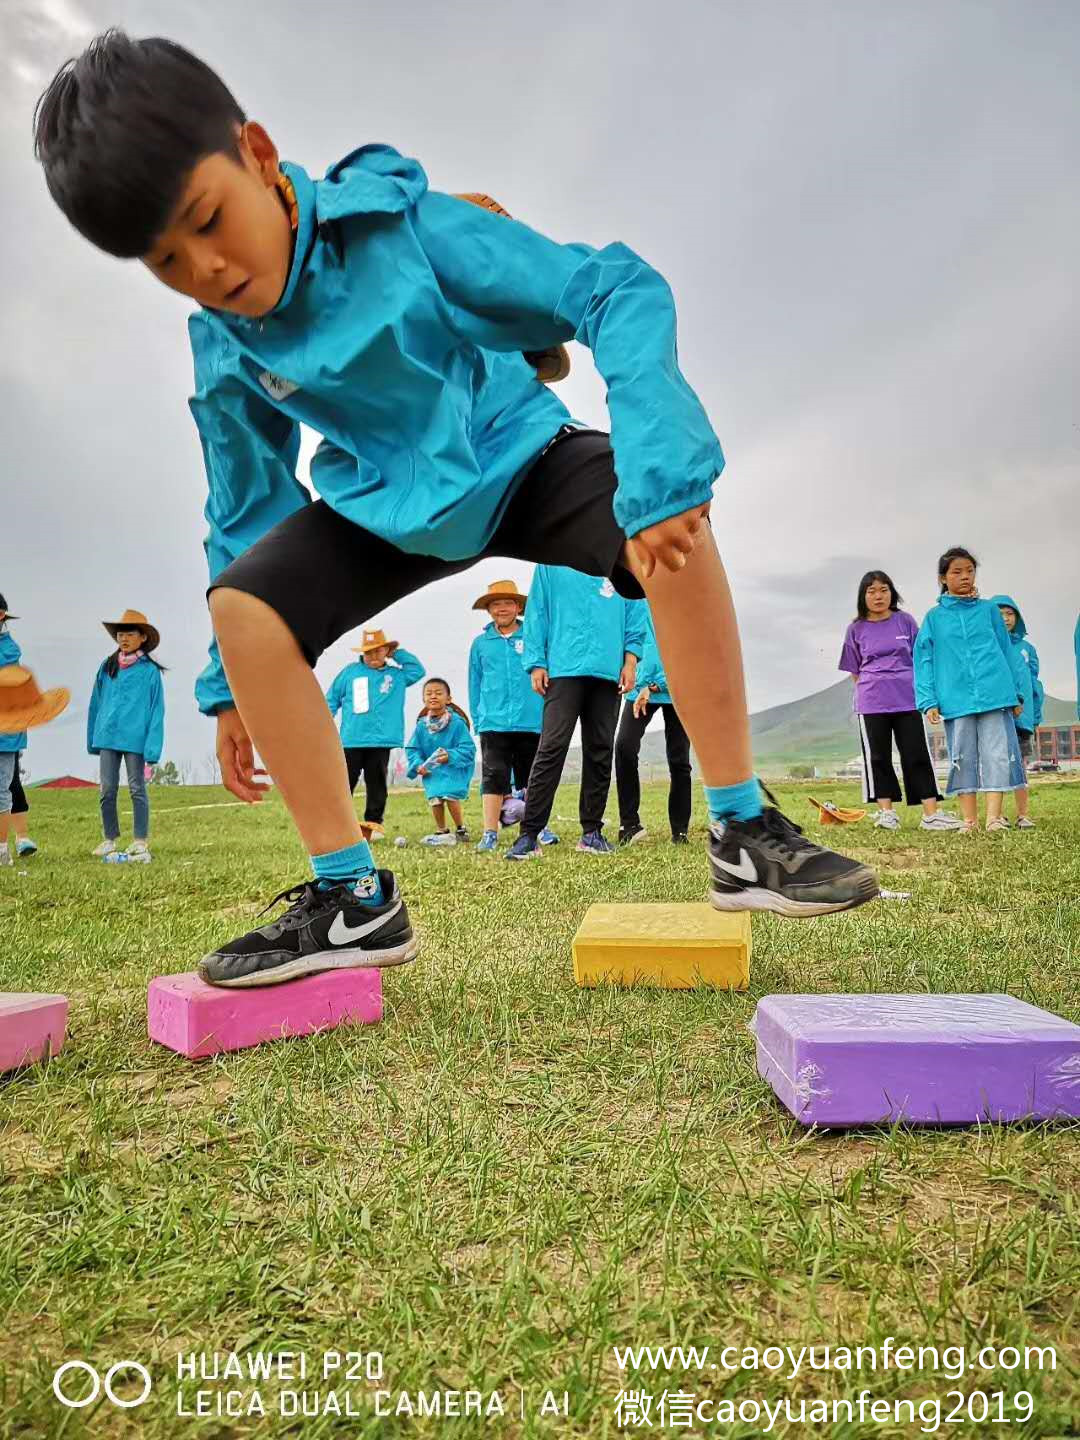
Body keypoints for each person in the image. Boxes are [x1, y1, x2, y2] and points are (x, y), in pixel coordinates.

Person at [34, 35, 878, 984]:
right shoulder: (224, 343)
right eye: (166, 262)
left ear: (259, 155)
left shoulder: (401, 228)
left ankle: (741, 826)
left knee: (673, 531)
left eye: (208, 220)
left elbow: (614, 286)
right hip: (387, 510)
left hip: (517, 452)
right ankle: (352, 900)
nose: (208, 269)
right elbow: (246, 505)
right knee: (243, 608)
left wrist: (658, 468)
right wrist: (234, 687)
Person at [510, 568, 644, 857]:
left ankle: (591, 833)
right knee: (552, 746)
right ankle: (529, 834)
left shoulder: (620, 563)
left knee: (600, 750)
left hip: (607, 670)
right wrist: (536, 662)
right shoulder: (551, 561)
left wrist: (630, 662)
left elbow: (635, 610)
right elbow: (538, 610)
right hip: (563, 667)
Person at [913, 550, 1026, 833]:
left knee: (997, 755)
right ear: (942, 578)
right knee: (962, 756)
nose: (964, 577)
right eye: (956, 572)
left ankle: (994, 819)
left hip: (995, 693)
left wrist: (1016, 694)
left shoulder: (989, 610)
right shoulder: (934, 618)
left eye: (969, 571)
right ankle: (969, 821)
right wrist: (928, 700)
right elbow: (923, 660)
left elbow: (1006, 651)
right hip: (956, 697)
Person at [838, 570, 958, 832]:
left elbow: (922, 660)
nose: (878, 596)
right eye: (871, 591)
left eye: (883, 589)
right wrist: (874, 689)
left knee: (916, 755)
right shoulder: (855, 629)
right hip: (872, 702)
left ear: (892, 593)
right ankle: (887, 814)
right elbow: (855, 671)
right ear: (863, 596)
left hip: (907, 699)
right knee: (878, 758)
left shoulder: (905, 622)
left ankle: (931, 814)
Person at [467, 579, 554, 854]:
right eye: (495, 604)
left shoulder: (534, 637)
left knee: (533, 777)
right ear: (488, 610)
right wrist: (478, 719)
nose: (501, 608)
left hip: (531, 719)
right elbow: (475, 683)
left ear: (518, 607)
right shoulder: (481, 644)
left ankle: (536, 829)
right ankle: (490, 832)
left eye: (507, 603)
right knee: (493, 777)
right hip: (493, 722)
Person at [326, 628, 425, 842]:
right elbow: (332, 699)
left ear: (385, 651)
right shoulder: (350, 672)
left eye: (378, 651)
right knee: (345, 782)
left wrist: (396, 654)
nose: (373, 657)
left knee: (376, 783)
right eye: (368, 652)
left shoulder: (397, 675)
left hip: (381, 741)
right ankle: (337, 824)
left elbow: (418, 670)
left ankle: (373, 825)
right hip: (351, 738)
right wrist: (325, 724)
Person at [88, 609, 166, 862]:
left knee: (136, 789)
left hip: (136, 739)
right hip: (107, 736)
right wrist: (93, 737)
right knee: (106, 790)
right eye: (120, 634)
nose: (124, 638)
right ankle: (109, 839)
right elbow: (96, 703)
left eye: (130, 633)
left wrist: (152, 748)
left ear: (142, 637)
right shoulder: (107, 666)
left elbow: (157, 710)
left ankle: (140, 841)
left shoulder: (150, 672)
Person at [615, 606, 692, 845]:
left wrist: (656, 685)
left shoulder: (682, 600)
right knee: (624, 747)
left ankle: (680, 831)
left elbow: (691, 650)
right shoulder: (633, 598)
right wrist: (641, 684)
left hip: (677, 688)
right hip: (639, 687)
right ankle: (629, 824)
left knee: (679, 759)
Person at [990, 595, 1042, 830]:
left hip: (1022, 718)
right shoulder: (989, 646)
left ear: (1017, 617)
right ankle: (997, 815)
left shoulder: (1027, 649)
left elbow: (1034, 684)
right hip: (996, 715)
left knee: (1019, 766)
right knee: (997, 765)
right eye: (1000, 614)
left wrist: (1036, 714)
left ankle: (1023, 815)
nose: (1005, 618)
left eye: (1010, 614)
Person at [405, 679, 476, 845]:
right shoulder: (422, 726)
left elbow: (468, 748)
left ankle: (460, 827)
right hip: (432, 770)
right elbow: (412, 748)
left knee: (450, 795)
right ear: (423, 699)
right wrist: (417, 764)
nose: (433, 696)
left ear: (448, 699)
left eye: (438, 693)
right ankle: (441, 829)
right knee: (435, 798)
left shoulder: (457, 723)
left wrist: (450, 755)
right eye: (429, 693)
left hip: (453, 767)